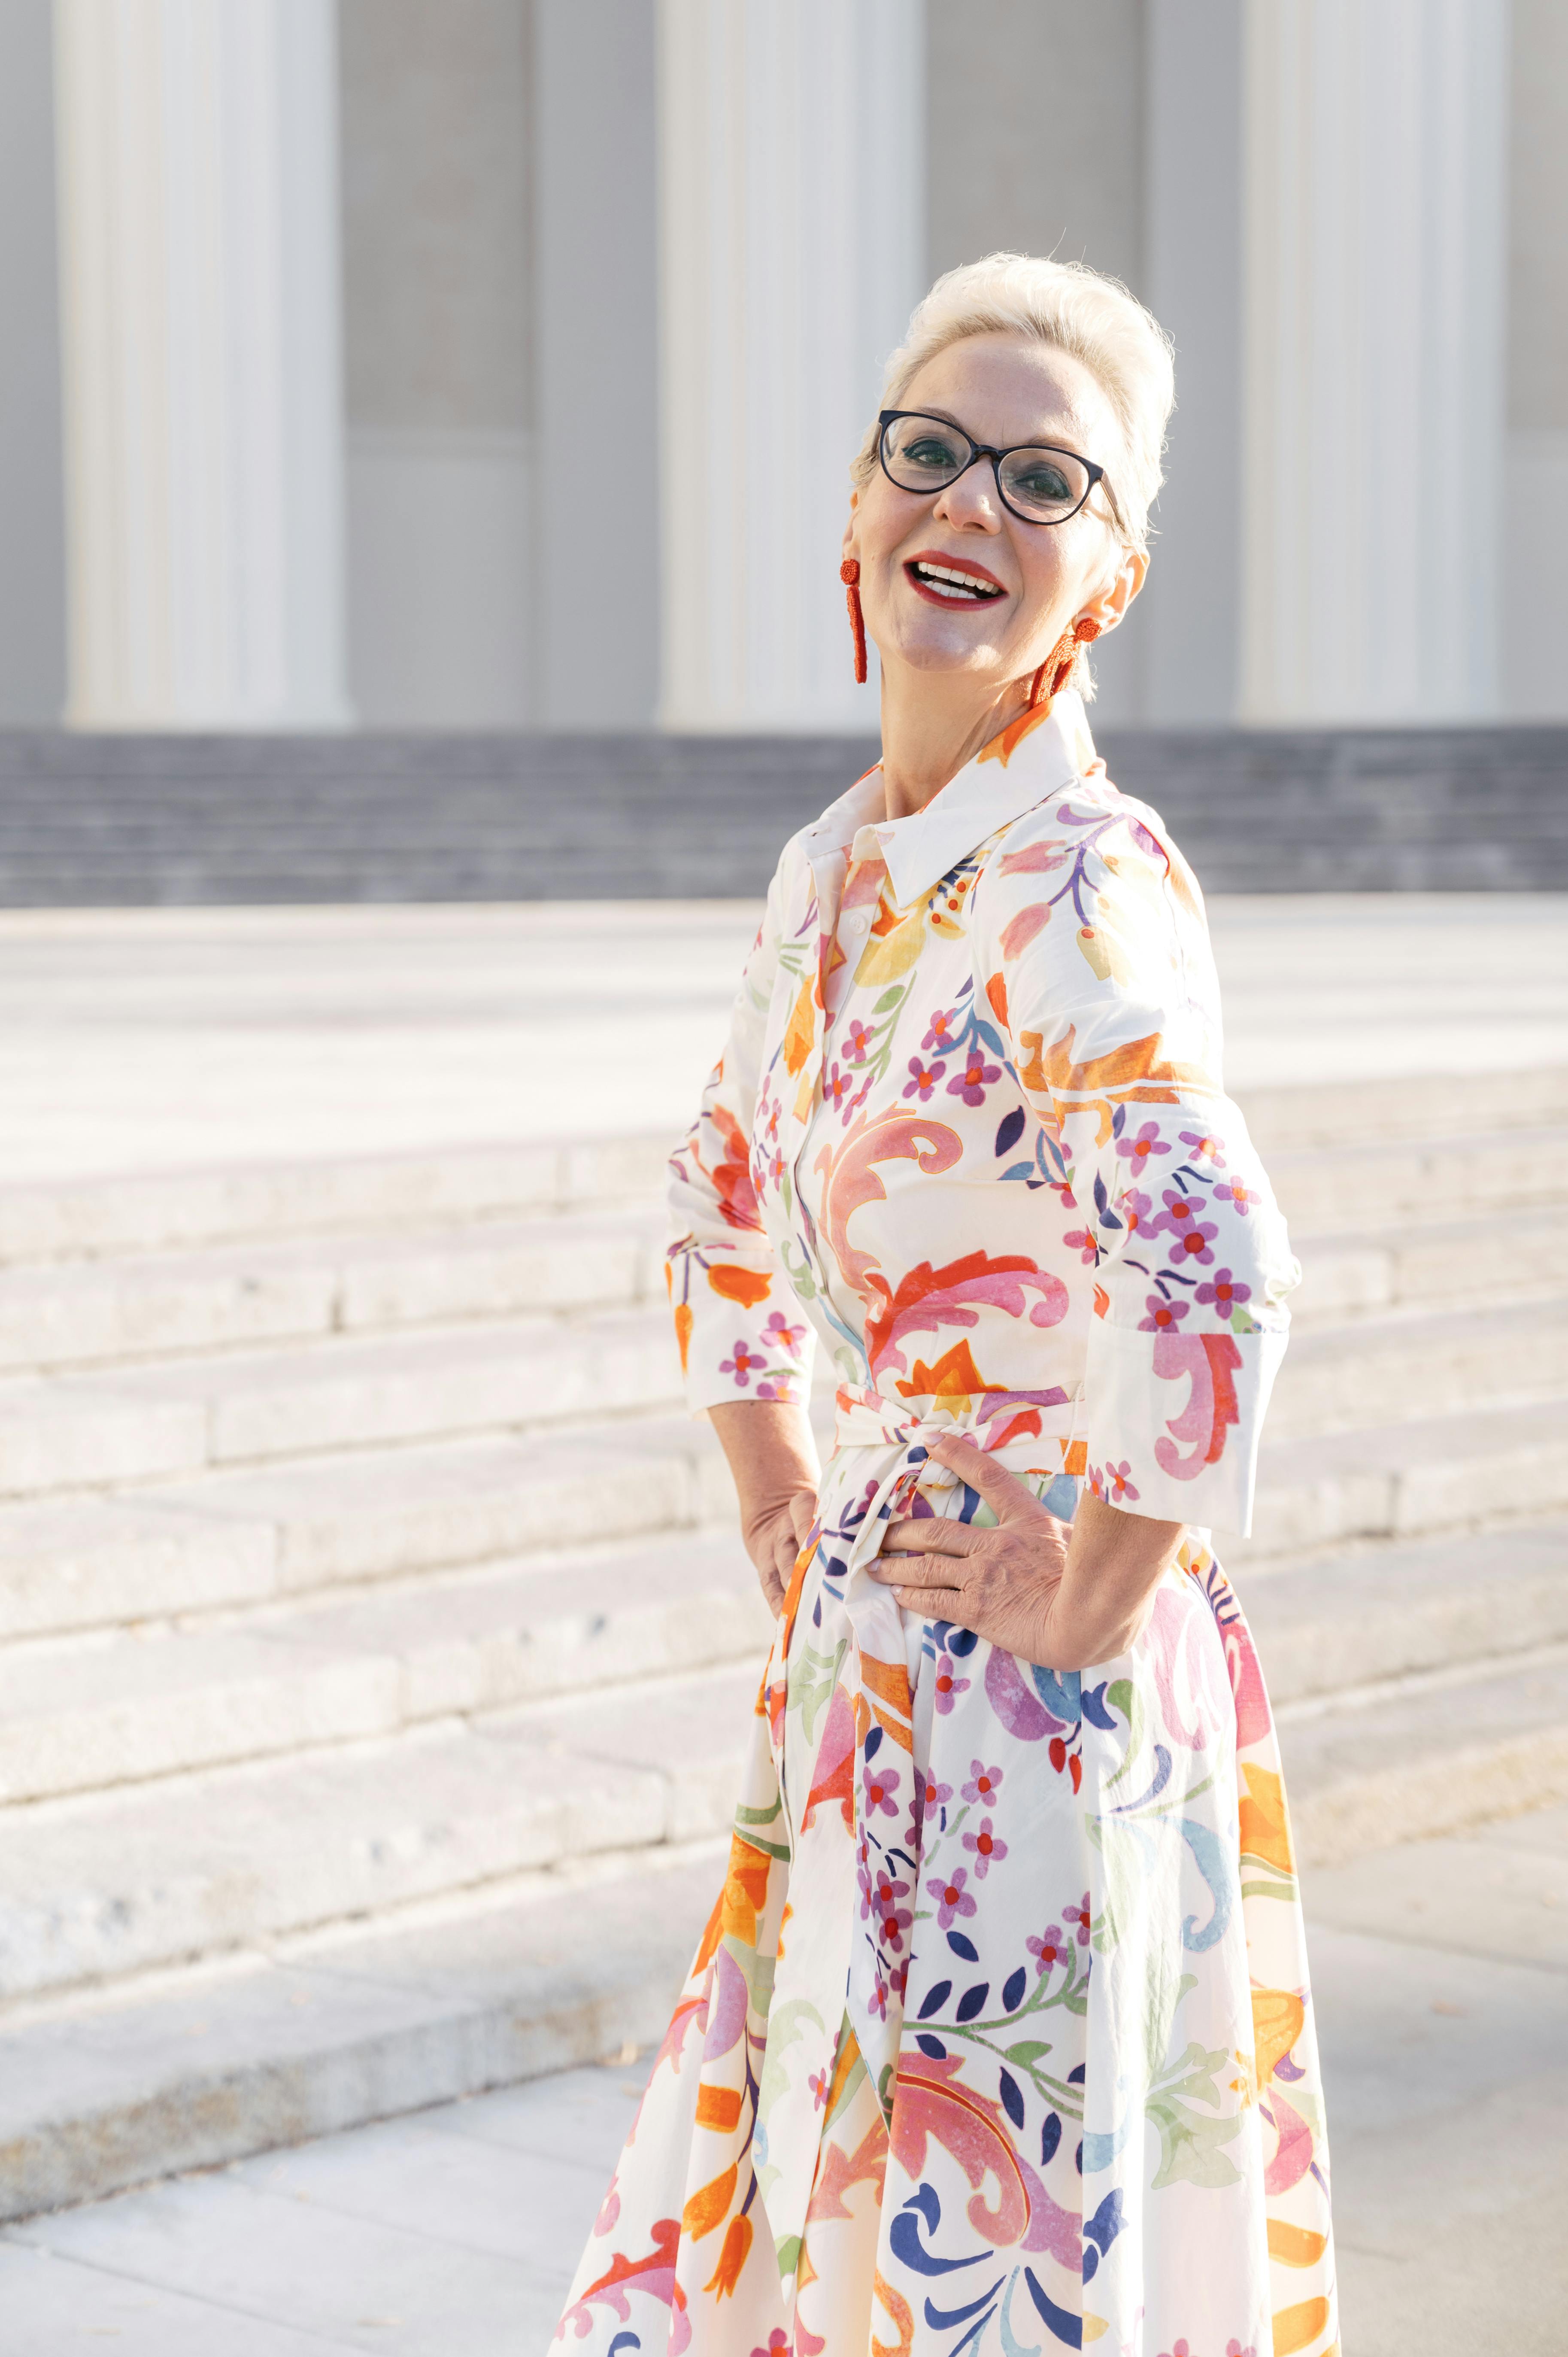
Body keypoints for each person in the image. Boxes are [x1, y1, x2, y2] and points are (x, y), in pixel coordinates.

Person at [554, 252, 1337, 2357]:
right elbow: (717, 1181)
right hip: (864, 1662)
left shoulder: (1078, 872)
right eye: (930, 451)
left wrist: (1087, 1592)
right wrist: (773, 1485)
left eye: (1040, 478)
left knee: (971, 2262)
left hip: (1027, 1711)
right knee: (816, 2221)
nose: (967, 504)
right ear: (855, 499)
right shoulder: (835, 870)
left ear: (1109, 569)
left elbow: (1214, 1258)